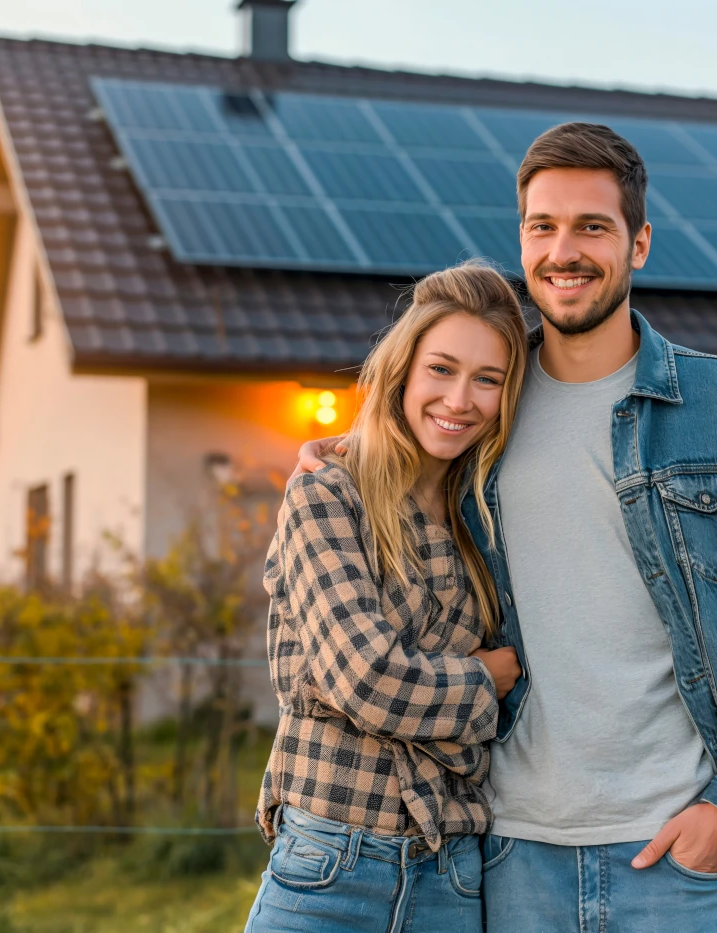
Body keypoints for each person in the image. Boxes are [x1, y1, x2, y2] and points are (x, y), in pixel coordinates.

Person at [294, 123, 717, 931]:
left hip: (674, 851)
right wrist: (328, 453)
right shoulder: (485, 404)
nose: (565, 250)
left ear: (640, 242)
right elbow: (394, 454)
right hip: (511, 853)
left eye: (593, 226)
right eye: (543, 226)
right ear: (521, 240)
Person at [245, 260, 528, 933]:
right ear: (402, 369)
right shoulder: (328, 493)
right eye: (442, 368)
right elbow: (367, 676)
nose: (460, 399)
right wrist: (486, 679)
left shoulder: (486, 520)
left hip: (452, 874)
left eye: (487, 379)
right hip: (329, 865)